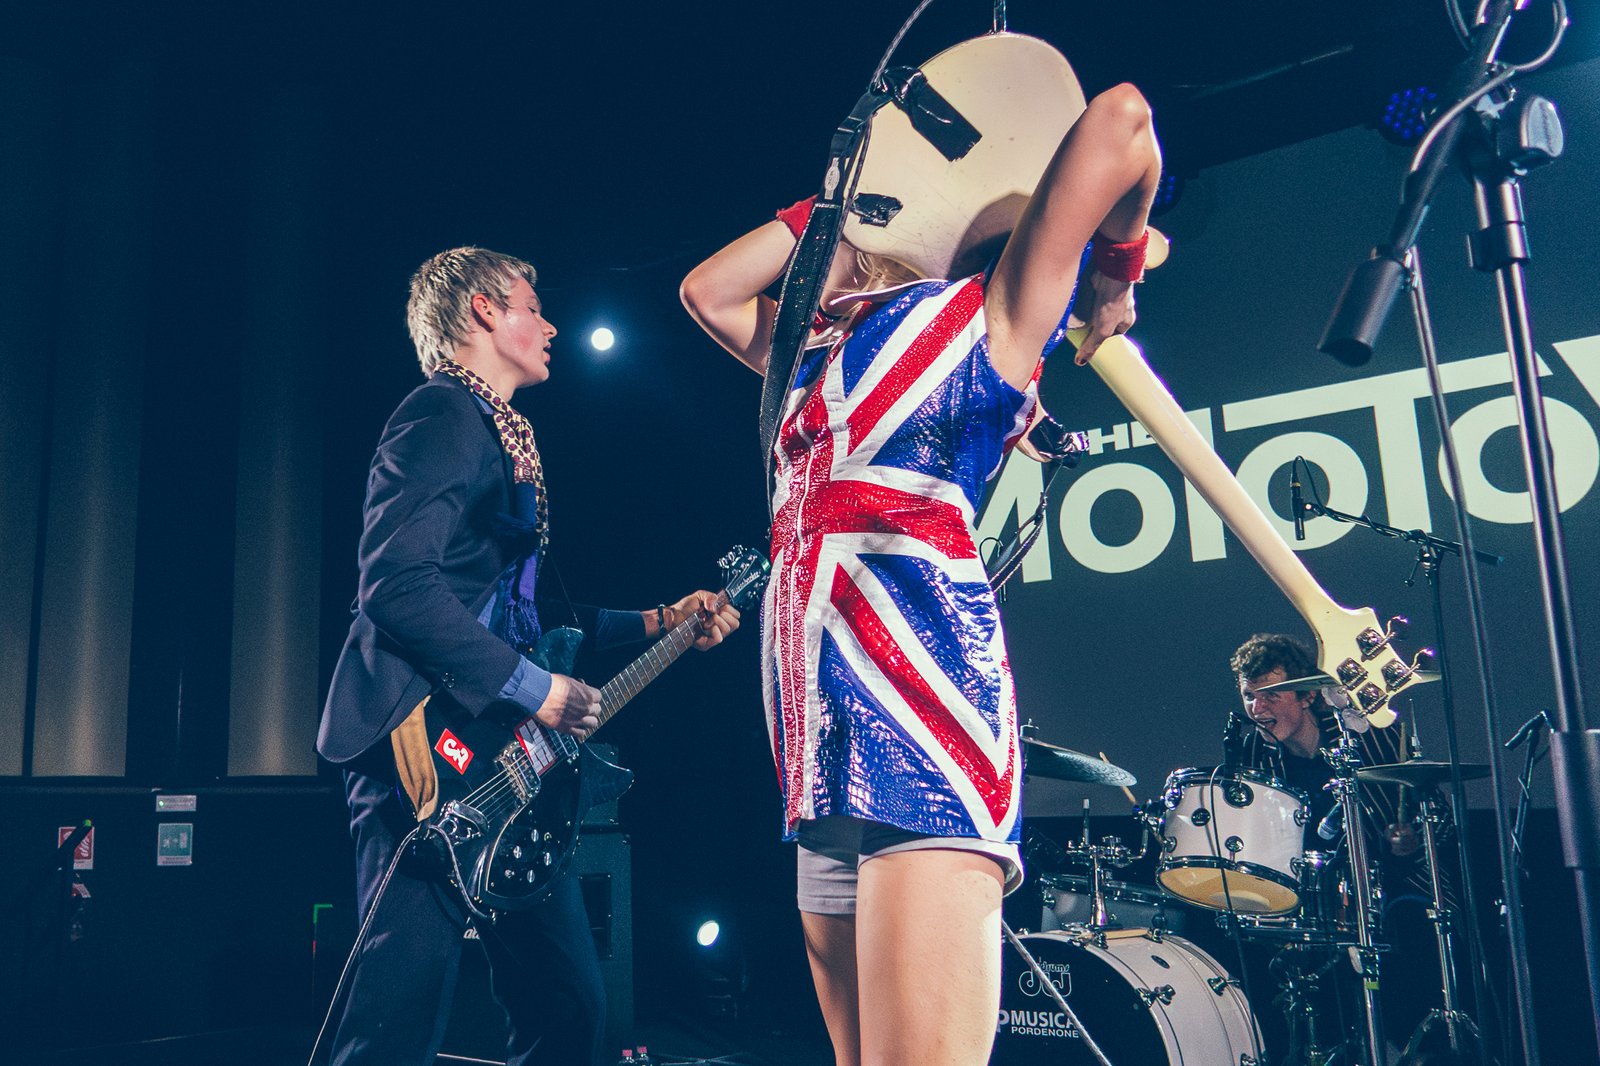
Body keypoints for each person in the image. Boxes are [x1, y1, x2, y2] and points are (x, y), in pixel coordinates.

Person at [680, 62, 1161, 1066]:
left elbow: (1122, 119)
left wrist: (1114, 275)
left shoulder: (990, 321)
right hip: (821, 759)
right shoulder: (808, 359)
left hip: (924, 738)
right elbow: (706, 290)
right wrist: (842, 202)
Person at [315, 246, 739, 1066]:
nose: (551, 326)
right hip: (424, 752)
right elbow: (395, 587)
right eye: (533, 307)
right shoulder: (440, 416)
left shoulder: (503, 433)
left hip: (502, 761)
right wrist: (534, 688)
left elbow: (534, 618)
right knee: (395, 1019)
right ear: (483, 309)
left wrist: (665, 620)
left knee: (570, 1006)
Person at [1226, 632, 1451, 1056]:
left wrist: (1412, 842)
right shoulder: (1253, 753)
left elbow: (1437, 814)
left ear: (1308, 696)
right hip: (1315, 909)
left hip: (1400, 895)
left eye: (1271, 695)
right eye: (1249, 696)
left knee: (1413, 1005)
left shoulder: (1365, 734)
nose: (1258, 708)